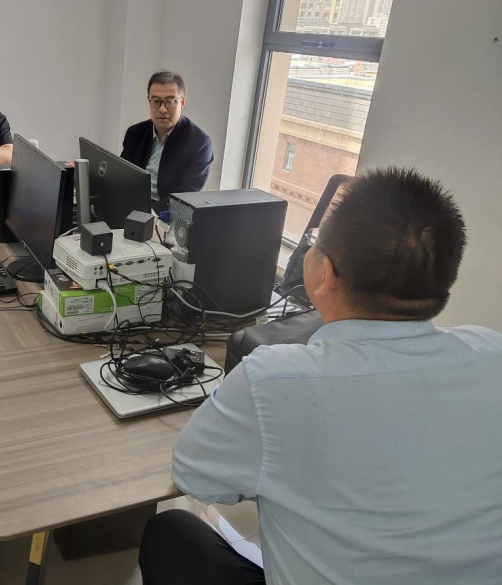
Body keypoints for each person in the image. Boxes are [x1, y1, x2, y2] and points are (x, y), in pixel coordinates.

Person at [139, 168, 502, 585]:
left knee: (171, 533)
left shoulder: (273, 382)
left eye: (313, 242)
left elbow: (192, 474)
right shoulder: (492, 352)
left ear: (325, 273)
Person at [120, 70, 214, 215]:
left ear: (182, 102)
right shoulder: (135, 133)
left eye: (170, 102)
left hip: (171, 215)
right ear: (149, 101)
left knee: (182, 220)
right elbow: (121, 175)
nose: (162, 109)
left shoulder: (200, 143)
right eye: (156, 101)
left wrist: (147, 215)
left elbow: (184, 197)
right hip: (132, 207)